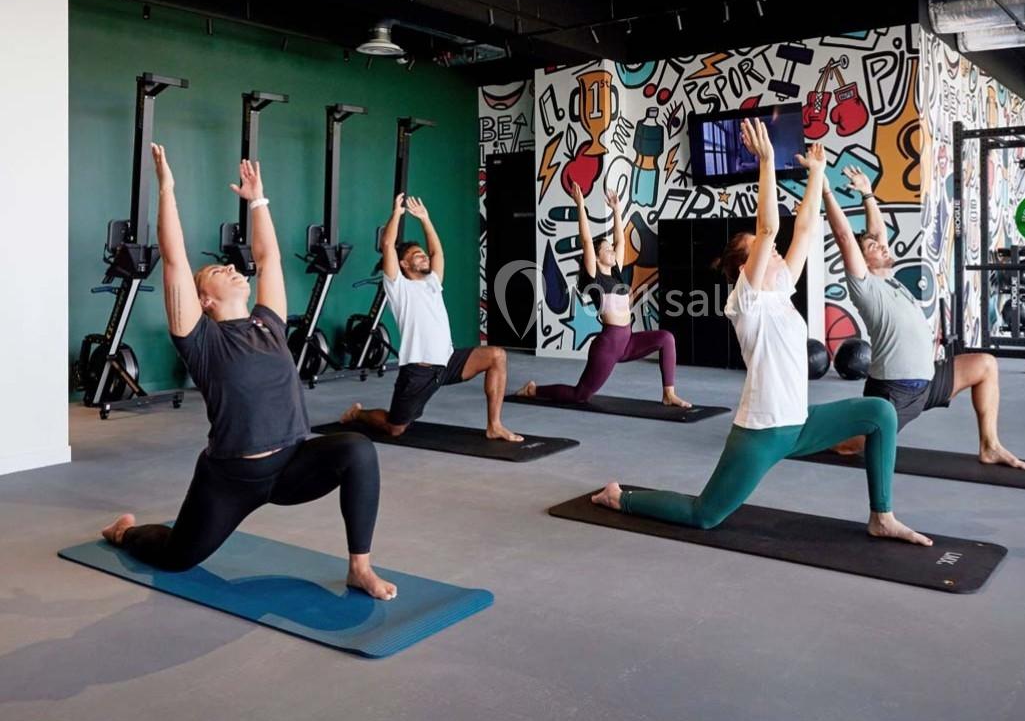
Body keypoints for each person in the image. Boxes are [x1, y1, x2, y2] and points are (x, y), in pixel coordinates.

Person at [591, 120, 931, 547]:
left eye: (769, 249)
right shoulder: (746, 299)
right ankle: (619, 498)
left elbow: (804, 230)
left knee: (880, 413)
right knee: (706, 515)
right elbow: (770, 228)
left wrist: (817, 176)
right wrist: (767, 162)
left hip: (801, 422)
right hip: (764, 431)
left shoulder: (780, 286)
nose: (772, 249)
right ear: (743, 268)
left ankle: (882, 516)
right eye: (762, 250)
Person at [100, 145, 396, 600]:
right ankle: (124, 533)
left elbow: (269, 259)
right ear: (204, 300)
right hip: (232, 480)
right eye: (220, 270)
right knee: (177, 557)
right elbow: (176, 260)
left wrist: (258, 201)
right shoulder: (199, 339)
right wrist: (167, 189)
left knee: (358, 451)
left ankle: (360, 567)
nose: (235, 270)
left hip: (293, 465)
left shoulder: (269, 323)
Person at [823, 165, 1025, 470]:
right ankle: (811, 436)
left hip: (929, 381)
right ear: (862, 260)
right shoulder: (865, 286)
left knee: (985, 364)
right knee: (851, 447)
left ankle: (990, 445)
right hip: (895, 391)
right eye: (872, 247)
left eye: (879, 243)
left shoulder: (888, 278)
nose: (882, 244)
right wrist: (825, 189)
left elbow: (877, 233)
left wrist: (868, 192)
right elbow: (843, 236)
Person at [340, 194, 523, 441]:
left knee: (497, 356)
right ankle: (358, 414)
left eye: (423, 254)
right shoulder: (398, 287)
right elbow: (387, 245)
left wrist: (425, 219)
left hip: (447, 362)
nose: (424, 256)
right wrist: (396, 213)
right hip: (419, 372)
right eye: (417, 255)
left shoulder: (432, 283)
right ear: (404, 264)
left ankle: (494, 425)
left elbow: (438, 252)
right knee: (396, 428)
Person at [515, 182, 690, 408]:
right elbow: (587, 241)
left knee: (666, 338)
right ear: (596, 258)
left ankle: (669, 394)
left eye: (610, 249)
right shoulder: (594, 276)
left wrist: (617, 211)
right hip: (608, 344)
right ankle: (533, 390)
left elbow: (621, 241)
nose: (611, 251)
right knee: (581, 395)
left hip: (627, 341)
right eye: (606, 249)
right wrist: (580, 205)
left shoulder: (615, 273)